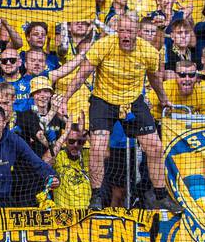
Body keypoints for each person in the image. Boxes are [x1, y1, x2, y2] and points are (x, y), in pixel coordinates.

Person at [55, 14, 178, 211]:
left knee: (155, 147)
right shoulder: (103, 46)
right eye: (122, 31)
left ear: (137, 33)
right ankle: (95, 196)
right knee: (97, 147)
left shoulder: (149, 52)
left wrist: (163, 99)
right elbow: (82, 74)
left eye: (130, 31)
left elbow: (154, 78)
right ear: (117, 32)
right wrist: (66, 98)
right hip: (103, 100)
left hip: (132, 101)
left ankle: (161, 195)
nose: (125, 36)